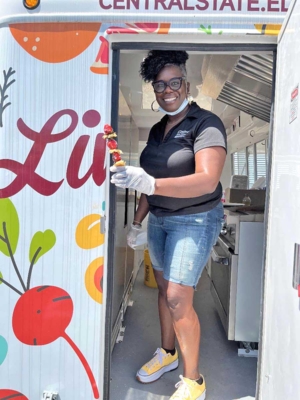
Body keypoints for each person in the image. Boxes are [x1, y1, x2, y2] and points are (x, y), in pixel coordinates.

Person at [110, 50, 227, 400]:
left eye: (174, 82)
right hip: (159, 219)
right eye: (159, 85)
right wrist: (136, 221)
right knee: (163, 291)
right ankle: (168, 354)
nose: (167, 90)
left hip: (195, 218)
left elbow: (207, 181)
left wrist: (152, 185)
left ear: (186, 85)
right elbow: (151, 179)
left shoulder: (206, 124)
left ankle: (194, 381)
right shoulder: (159, 129)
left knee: (177, 297)